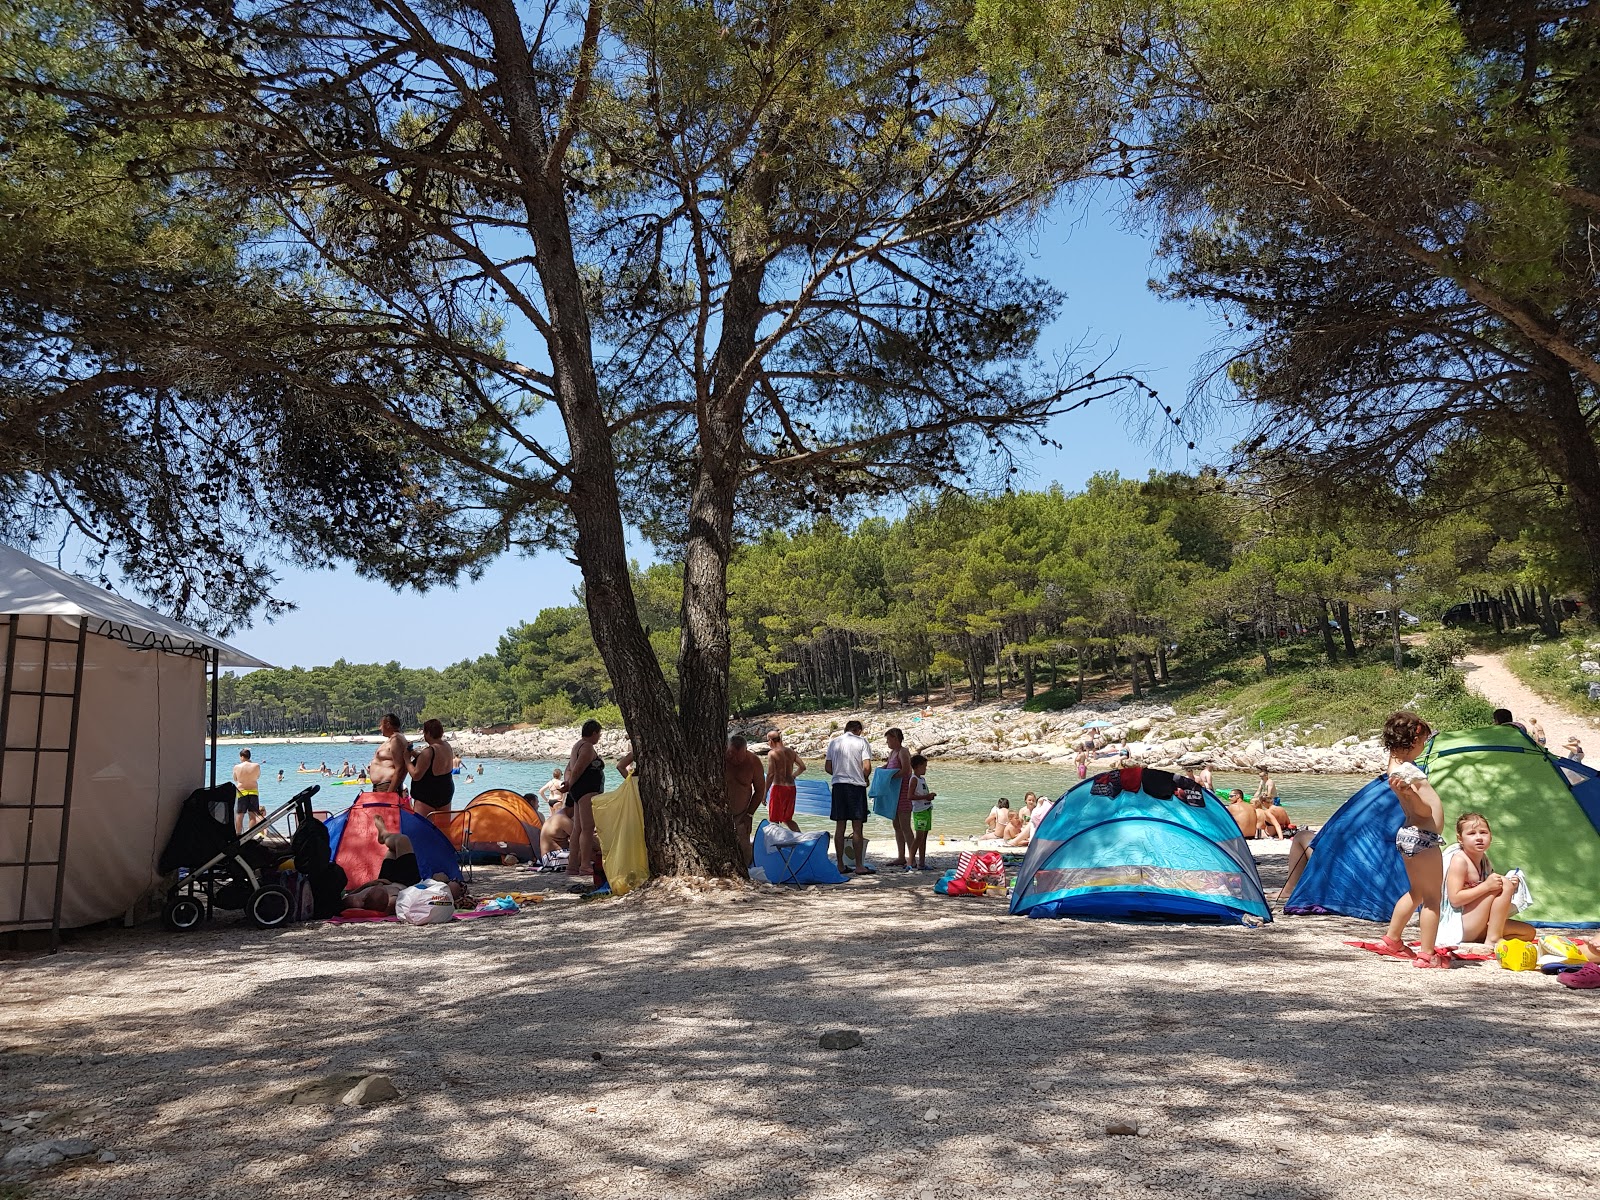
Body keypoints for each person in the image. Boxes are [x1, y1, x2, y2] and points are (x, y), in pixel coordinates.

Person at [1379, 711, 1449, 968]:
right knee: (1432, 898)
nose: (1423, 748)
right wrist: (1415, 797)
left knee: (1417, 891)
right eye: (1423, 743)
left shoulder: (1394, 767)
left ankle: (1392, 939)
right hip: (1423, 837)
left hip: (1407, 835)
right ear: (1413, 742)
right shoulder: (1408, 772)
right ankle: (1427, 954)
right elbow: (1422, 811)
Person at [1441, 812, 1535, 948]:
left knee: (1528, 933)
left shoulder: (1484, 861)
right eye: (1472, 833)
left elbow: (1491, 895)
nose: (1479, 838)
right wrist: (1487, 886)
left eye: (1483, 833)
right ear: (1460, 839)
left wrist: (1511, 885)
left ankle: (1487, 937)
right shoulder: (1460, 860)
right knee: (1503, 884)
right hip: (1459, 924)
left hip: (1478, 922)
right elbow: (1455, 899)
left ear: (1491, 836)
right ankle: (1493, 939)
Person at [561, 719, 607, 882]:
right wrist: (569, 785)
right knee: (588, 828)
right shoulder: (587, 747)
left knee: (578, 828)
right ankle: (585, 865)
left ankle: (572, 865)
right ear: (594, 733)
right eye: (599, 734)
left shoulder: (577, 746)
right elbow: (578, 769)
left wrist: (568, 784)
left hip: (578, 791)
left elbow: (569, 769)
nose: (599, 737)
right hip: (586, 791)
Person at [825, 719, 872, 875]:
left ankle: (840, 864)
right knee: (857, 827)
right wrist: (864, 777)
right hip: (856, 787)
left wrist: (840, 774)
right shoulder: (862, 742)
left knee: (840, 826)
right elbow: (866, 767)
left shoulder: (834, 742)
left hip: (838, 786)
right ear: (857, 730)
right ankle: (859, 865)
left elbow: (828, 767)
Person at [725, 733, 765, 866]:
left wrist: (750, 814)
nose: (734, 759)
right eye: (731, 754)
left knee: (744, 846)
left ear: (746, 751)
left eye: (739, 756)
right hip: (719, 812)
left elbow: (760, 791)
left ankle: (747, 872)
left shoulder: (753, 762)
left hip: (742, 813)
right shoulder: (720, 758)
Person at [407, 718, 456, 814]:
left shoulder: (429, 751)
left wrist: (406, 760)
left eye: (424, 733)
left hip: (427, 795)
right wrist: (412, 752)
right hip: (446, 792)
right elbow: (430, 761)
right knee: (442, 828)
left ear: (428, 733)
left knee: (422, 827)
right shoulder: (446, 746)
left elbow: (416, 775)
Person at [883, 727, 916, 869]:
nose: (887, 742)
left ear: (896, 738)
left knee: (905, 826)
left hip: (903, 793)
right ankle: (901, 857)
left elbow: (906, 770)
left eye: (888, 739)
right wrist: (881, 771)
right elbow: (888, 766)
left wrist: (891, 776)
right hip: (893, 793)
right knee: (896, 825)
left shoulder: (903, 752)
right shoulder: (892, 753)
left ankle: (912, 858)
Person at [763, 730, 805, 833]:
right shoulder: (791, 752)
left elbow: (771, 774)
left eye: (767, 741)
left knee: (774, 820)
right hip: (791, 788)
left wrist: (764, 793)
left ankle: (775, 843)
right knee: (787, 819)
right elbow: (802, 767)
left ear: (771, 741)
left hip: (779, 788)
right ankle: (800, 838)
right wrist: (793, 775)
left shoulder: (772, 753)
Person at [367, 714, 411, 795]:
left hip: (387, 787)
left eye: (380, 725)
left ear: (387, 724)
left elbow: (400, 767)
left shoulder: (396, 739)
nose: (380, 728)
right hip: (382, 786)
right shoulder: (393, 739)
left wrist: (390, 792)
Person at [908, 754, 935, 869]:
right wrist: (925, 797)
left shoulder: (922, 779)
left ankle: (922, 863)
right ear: (918, 766)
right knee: (918, 837)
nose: (925, 769)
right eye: (924, 766)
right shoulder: (914, 779)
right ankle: (910, 861)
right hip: (919, 811)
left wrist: (929, 797)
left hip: (927, 809)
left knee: (924, 837)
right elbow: (910, 796)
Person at [232, 749, 263, 833]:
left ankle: (238, 834)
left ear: (242, 757)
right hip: (253, 791)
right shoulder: (256, 765)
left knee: (240, 815)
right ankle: (250, 834)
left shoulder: (237, 767)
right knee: (252, 815)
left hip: (242, 792)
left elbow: (235, 778)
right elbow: (257, 776)